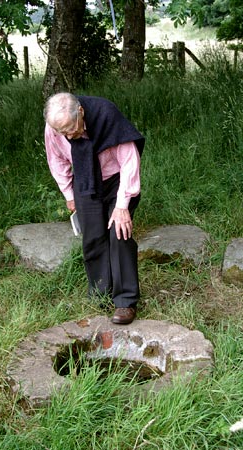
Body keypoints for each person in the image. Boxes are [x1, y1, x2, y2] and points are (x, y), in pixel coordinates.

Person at [43, 93, 145, 324]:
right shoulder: (54, 128)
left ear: (80, 111)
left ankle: (125, 302)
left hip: (117, 179)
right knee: (93, 236)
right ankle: (100, 294)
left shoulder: (106, 113)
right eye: (63, 132)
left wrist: (122, 206)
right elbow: (56, 160)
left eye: (71, 128)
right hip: (85, 179)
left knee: (119, 233)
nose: (69, 135)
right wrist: (69, 194)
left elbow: (130, 159)